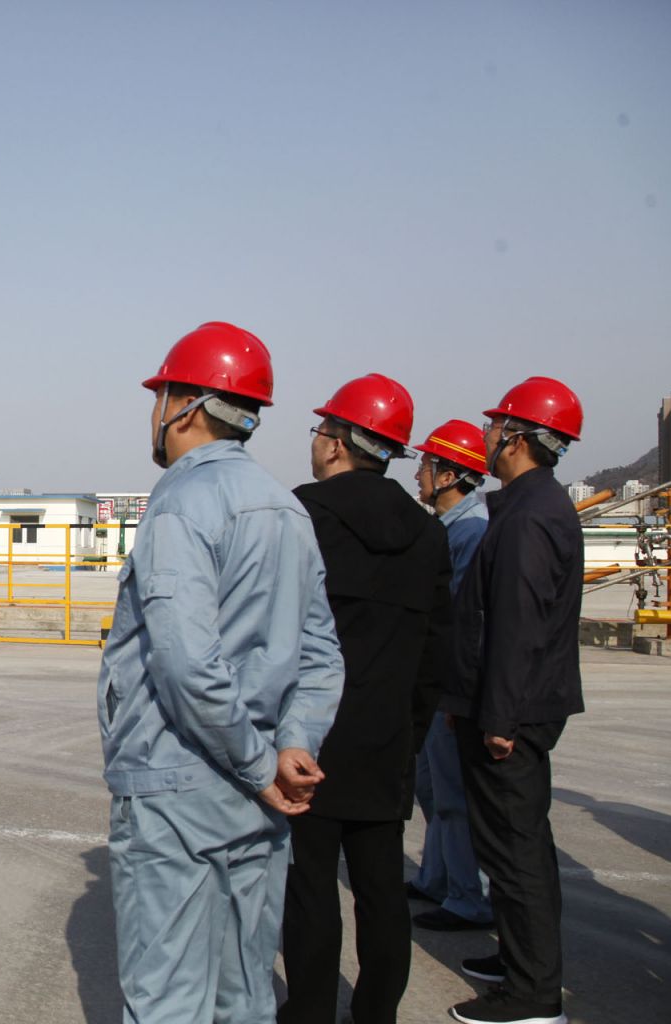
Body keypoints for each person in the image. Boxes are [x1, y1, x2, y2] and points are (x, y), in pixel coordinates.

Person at [98, 321, 345, 1024]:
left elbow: (186, 664)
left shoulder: (181, 504)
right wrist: (292, 747)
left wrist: (257, 765)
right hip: (261, 792)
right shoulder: (287, 508)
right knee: (244, 996)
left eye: (160, 396)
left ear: (184, 406)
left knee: (168, 999)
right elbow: (322, 653)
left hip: (179, 784)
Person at [278, 375, 452, 1024]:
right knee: (381, 890)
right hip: (388, 736)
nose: (315, 442)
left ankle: (310, 1012)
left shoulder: (303, 514)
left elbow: (274, 631)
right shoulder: (428, 533)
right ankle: (377, 1013)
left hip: (310, 735)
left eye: (321, 429)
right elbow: (436, 650)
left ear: (338, 442)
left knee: (310, 887)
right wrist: (409, 729)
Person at [441, 377, 585, 1024]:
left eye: (496, 426)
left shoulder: (529, 517)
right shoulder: (529, 506)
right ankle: (522, 962)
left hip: (512, 713)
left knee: (516, 850)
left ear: (519, 438)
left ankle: (532, 994)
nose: (487, 436)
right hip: (514, 704)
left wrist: (498, 717)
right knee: (513, 846)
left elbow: (517, 626)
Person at [409, 420, 495, 932]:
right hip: (435, 688)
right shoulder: (450, 529)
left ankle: (468, 898)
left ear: (448, 477)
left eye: (425, 465)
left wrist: (454, 697)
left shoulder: (471, 533)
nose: (418, 474)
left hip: (450, 691)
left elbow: (461, 623)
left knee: (454, 798)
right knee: (433, 788)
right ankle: (437, 878)